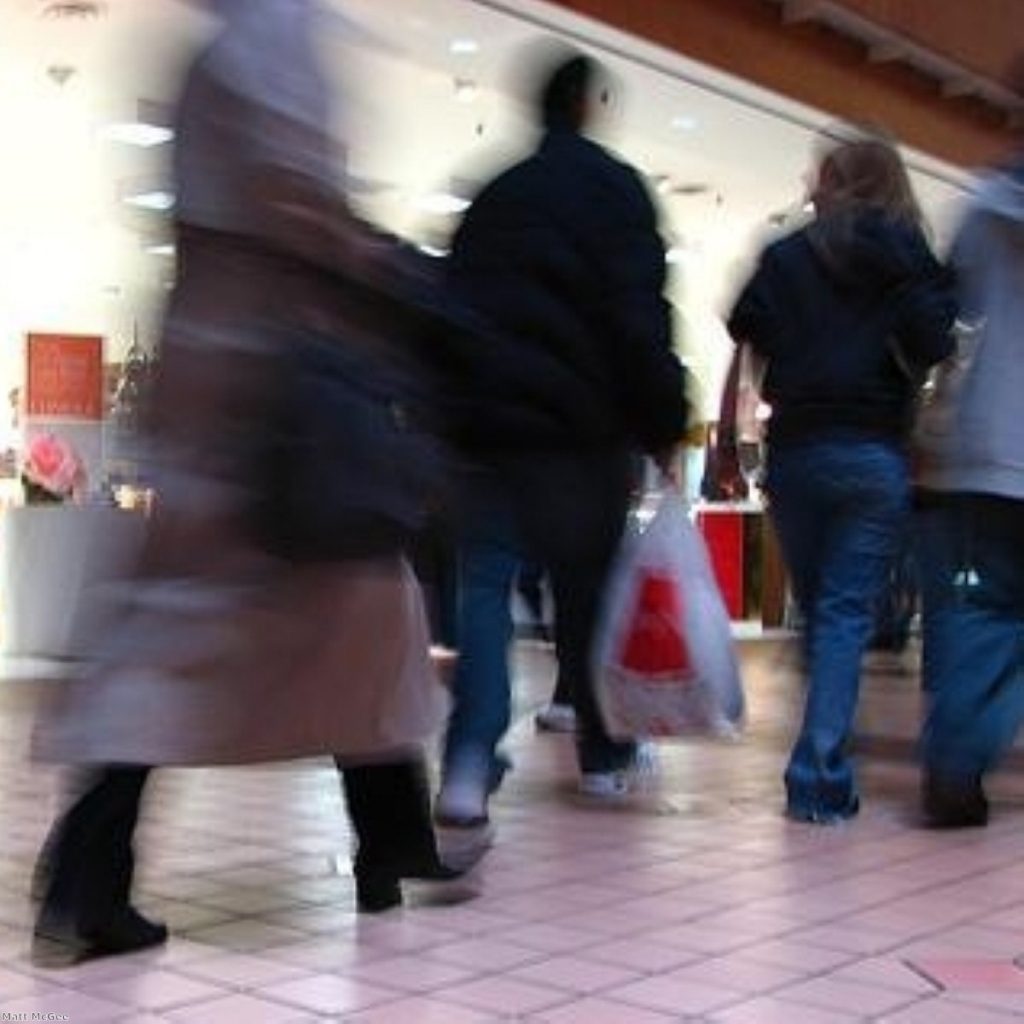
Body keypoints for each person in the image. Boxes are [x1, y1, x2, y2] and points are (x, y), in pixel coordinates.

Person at [31, 0, 472, 966]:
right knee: (326, 615)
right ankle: (93, 877)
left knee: (288, 621)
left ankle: (384, 842)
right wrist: (391, 274)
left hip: (231, 369)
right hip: (276, 386)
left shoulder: (218, 41)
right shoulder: (276, 33)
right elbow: (292, 192)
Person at [434, 45, 687, 827]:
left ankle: (468, 761)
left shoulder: (494, 198)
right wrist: (662, 419)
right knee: (587, 591)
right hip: (582, 435)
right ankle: (604, 755)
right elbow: (639, 315)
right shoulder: (617, 192)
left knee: (483, 588)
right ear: (589, 107)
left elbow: (450, 312)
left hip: (489, 431)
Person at [726, 125, 955, 824]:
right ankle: (819, 772)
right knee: (843, 614)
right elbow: (935, 342)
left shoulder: (789, 254)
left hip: (796, 450)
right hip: (871, 454)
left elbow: (745, 324)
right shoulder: (908, 257)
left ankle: (822, 748)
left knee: (821, 608)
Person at [916, 61, 1024, 828]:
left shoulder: (982, 210)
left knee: (982, 611)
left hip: (988, 446)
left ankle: (955, 760)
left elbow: (942, 332)